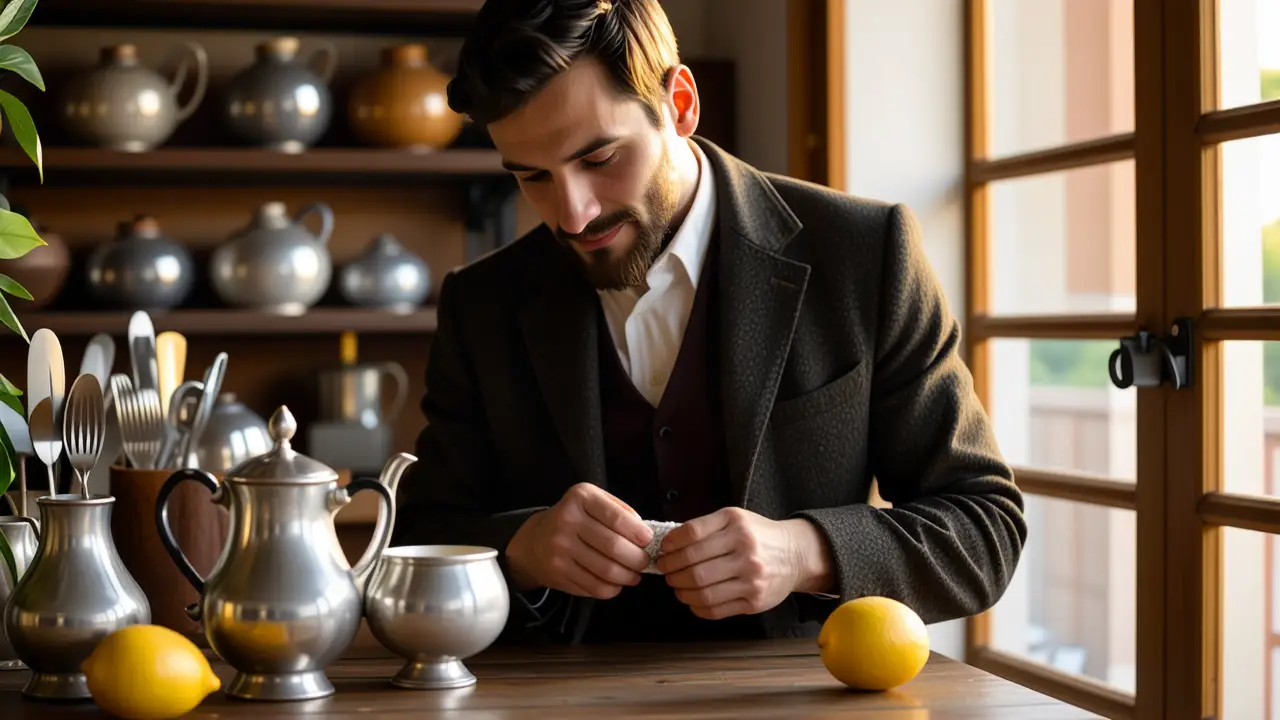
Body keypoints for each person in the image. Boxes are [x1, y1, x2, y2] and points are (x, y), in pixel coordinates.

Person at [390, 0, 1026, 644]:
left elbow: (984, 530)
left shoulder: (865, 254)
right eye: (532, 177)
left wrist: (803, 552)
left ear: (682, 104)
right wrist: (522, 549)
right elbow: (416, 537)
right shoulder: (481, 303)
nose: (574, 215)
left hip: (801, 704)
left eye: (601, 158)